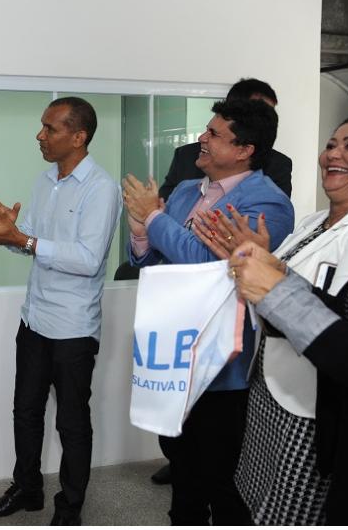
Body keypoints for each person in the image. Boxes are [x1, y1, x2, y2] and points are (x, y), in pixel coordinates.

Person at [199, 113, 348, 524]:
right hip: (270, 386)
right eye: (331, 144)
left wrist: (271, 278)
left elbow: (337, 320)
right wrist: (257, 261)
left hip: (309, 404)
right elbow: (275, 289)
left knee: (285, 512)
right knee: (251, 497)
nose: (333, 154)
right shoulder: (315, 221)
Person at [123, 98, 294, 525]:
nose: (202, 137)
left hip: (224, 363)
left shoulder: (267, 203)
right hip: (176, 353)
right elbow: (155, 258)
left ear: (245, 150)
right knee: (181, 465)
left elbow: (208, 263)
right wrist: (141, 234)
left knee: (223, 477)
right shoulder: (185, 191)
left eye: (215, 133)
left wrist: (155, 219)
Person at [0, 97, 121, 526]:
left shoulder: (101, 188)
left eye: (50, 128)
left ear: (78, 137)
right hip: (35, 317)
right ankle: (27, 489)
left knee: (72, 424)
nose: (40, 135)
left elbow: (88, 259)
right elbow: (33, 243)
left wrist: (24, 240)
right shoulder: (45, 181)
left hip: (73, 326)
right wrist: (9, 231)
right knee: (25, 411)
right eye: (42, 126)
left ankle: (69, 509)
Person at [158, 78, 293, 201]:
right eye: (258, 111)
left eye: (269, 113)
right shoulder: (186, 156)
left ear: (245, 151)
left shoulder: (278, 165)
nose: (266, 119)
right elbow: (164, 206)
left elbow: (269, 213)